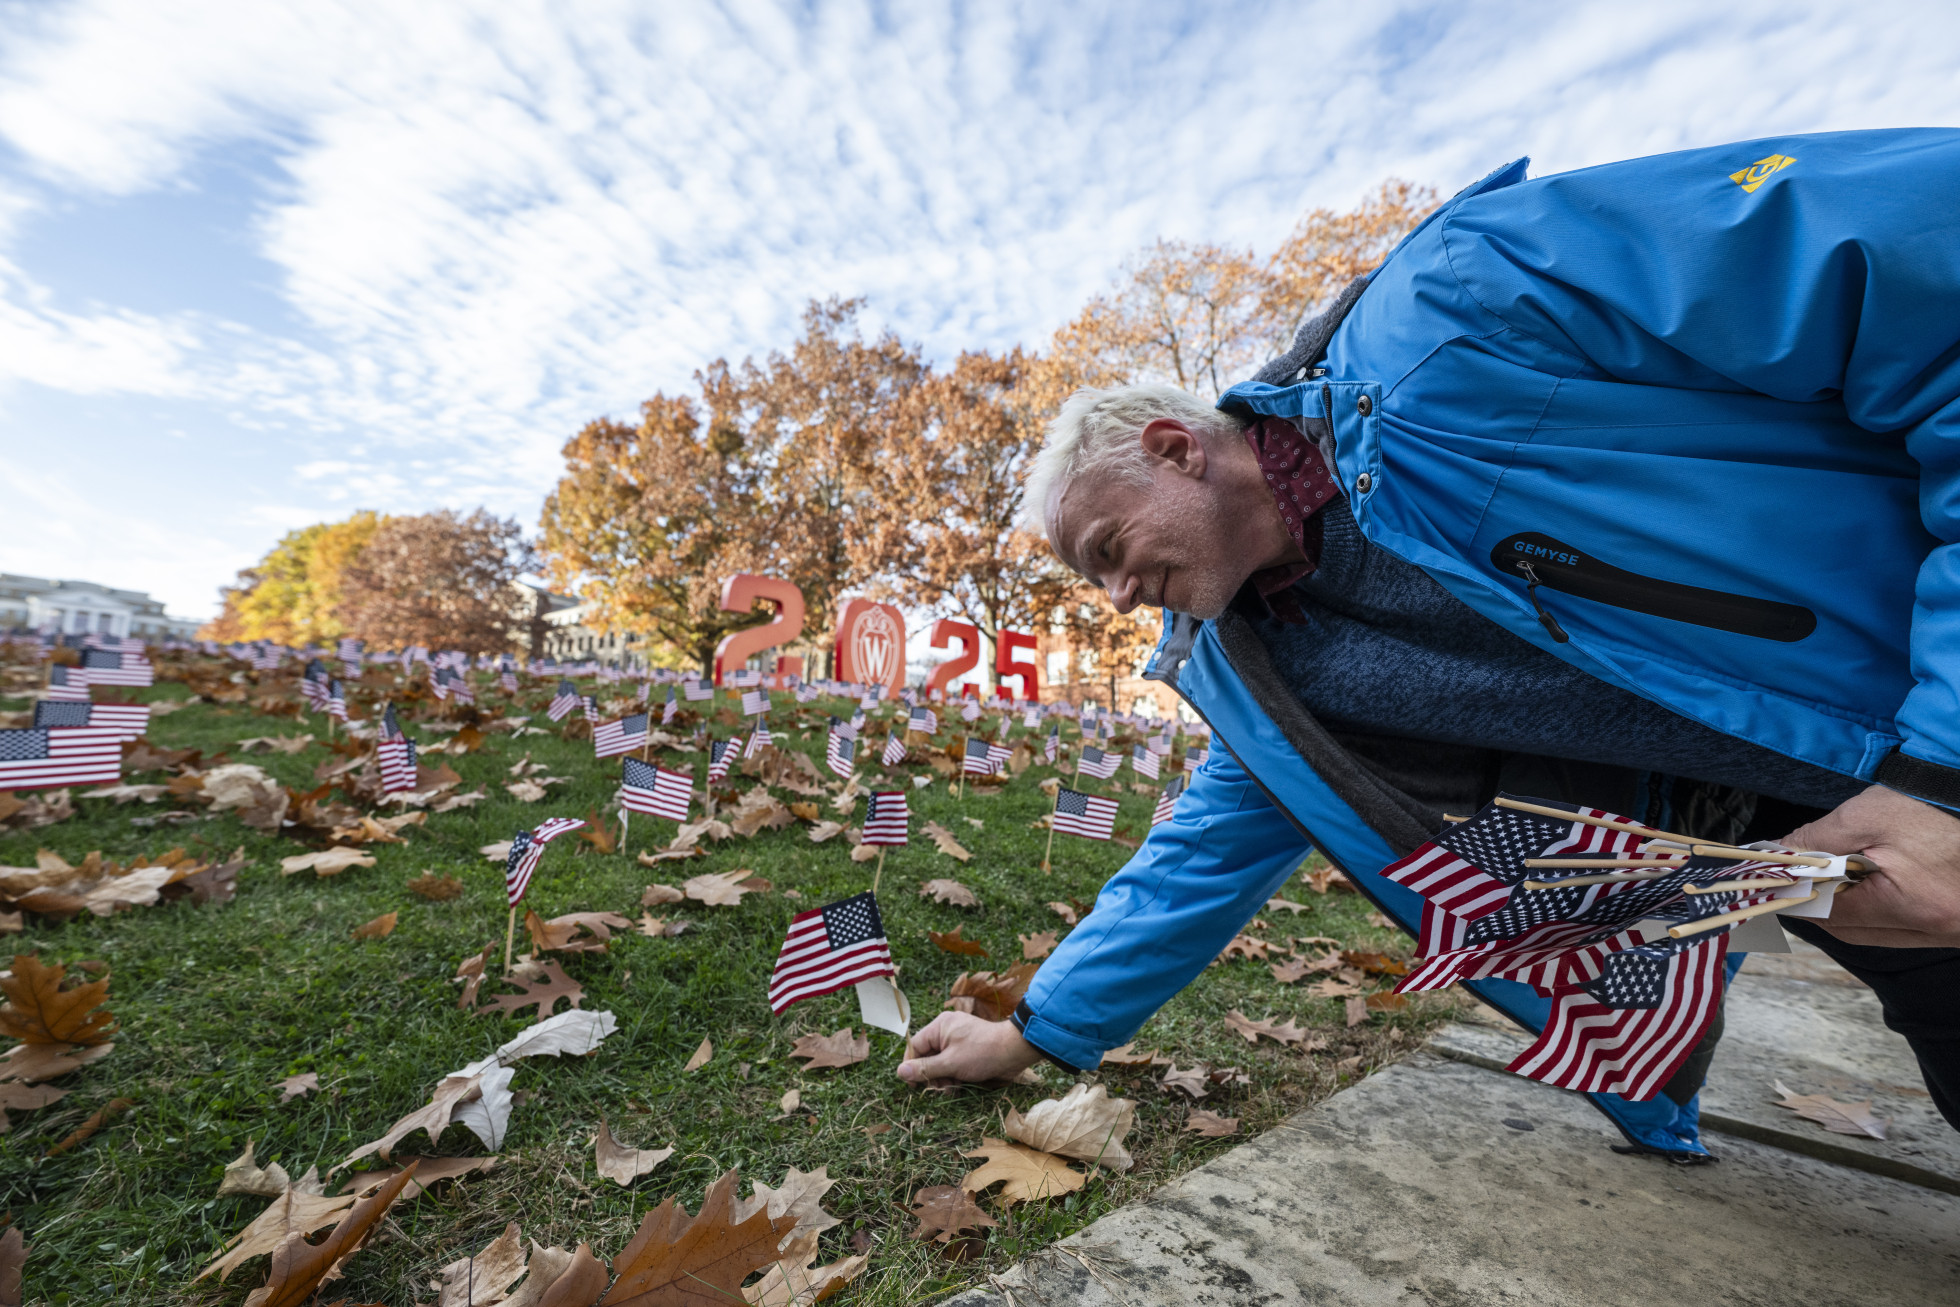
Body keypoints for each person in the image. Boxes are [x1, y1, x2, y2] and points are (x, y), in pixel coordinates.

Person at [895, 128, 1960, 1156]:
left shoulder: (1470, 289)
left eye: (1109, 547)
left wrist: (1939, 767)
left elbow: (1918, 252)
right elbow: (1195, 862)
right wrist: (1036, 1027)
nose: (1122, 596)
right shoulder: (1256, 670)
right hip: (1820, 836)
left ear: (1176, 449)